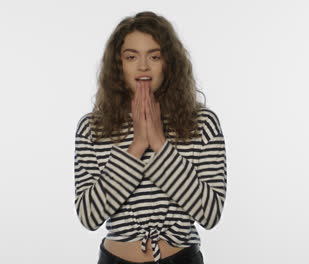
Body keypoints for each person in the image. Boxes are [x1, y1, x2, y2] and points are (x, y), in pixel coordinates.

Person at [73, 11, 227, 264]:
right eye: (131, 57)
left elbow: (210, 214)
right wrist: (137, 146)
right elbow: (89, 216)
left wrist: (159, 143)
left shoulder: (202, 123)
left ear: (169, 63)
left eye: (154, 56)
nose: (143, 66)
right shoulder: (92, 128)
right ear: (118, 64)